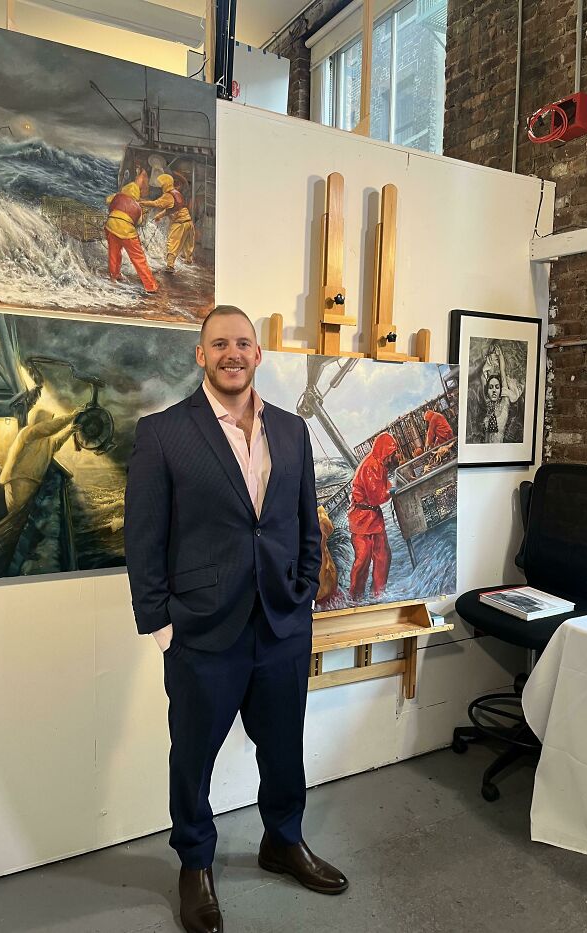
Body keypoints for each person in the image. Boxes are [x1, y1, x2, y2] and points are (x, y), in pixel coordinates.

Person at [124, 306, 348, 933]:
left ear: (258, 353)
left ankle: (283, 840)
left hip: (280, 624)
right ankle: (194, 864)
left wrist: (303, 594)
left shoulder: (293, 431)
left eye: (242, 343)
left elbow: (306, 523)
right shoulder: (163, 434)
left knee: (283, 749)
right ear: (201, 355)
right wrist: (160, 625)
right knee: (192, 758)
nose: (232, 353)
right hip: (201, 632)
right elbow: (142, 539)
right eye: (219, 343)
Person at [347, 431, 399, 601]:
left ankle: (378, 593)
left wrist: (391, 487)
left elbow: (384, 484)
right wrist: (391, 491)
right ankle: (355, 596)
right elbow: (377, 497)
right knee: (362, 560)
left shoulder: (379, 463)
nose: (392, 458)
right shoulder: (370, 466)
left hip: (373, 517)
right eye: (390, 454)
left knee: (383, 555)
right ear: (384, 451)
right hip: (361, 519)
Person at [0, 408, 77, 512]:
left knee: (25, 516)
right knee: (18, 515)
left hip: (32, 481)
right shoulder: (27, 433)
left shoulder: (45, 440)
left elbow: (56, 444)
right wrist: (70, 417)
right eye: (48, 420)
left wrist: (70, 431)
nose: (50, 423)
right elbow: (48, 428)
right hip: (18, 480)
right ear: (39, 420)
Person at [104, 182, 158, 295]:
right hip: (126, 232)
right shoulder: (137, 206)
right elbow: (138, 222)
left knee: (114, 253)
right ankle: (150, 286)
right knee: (138, 258)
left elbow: (107, 200)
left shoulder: (117, 197)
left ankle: (114, 276)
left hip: (111, 226)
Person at [140, 173, 195, 274]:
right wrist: (159, 216)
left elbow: (156, 203)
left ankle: (170, 266)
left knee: (172, 243)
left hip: (180, 223)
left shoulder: (168, 195)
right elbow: (173, 209)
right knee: (188, 244)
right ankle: (189, 260)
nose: (161, 187)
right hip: (188, 222)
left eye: (162, 185)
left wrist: (142, 203)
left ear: (165, 185)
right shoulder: (176, 193)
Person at [481, 344, 522, 443]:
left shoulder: (505, 400)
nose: (494, 390)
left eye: (497, 387)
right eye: (491, 388)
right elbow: (485, 382)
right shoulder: (489, 403)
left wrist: (500, 356)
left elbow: (502, 372)